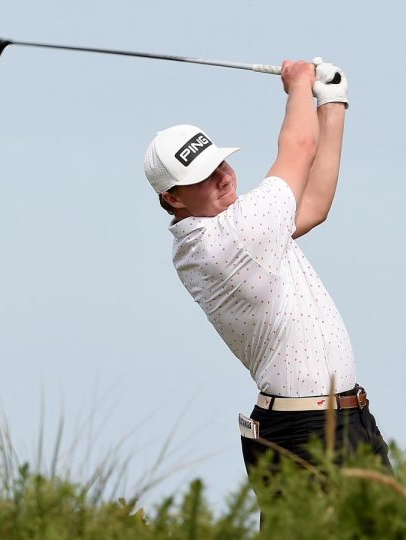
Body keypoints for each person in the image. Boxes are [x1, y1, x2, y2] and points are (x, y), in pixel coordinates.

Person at [142, 59, 390, 488]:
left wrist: (332, 103)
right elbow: (297, 148)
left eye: (220, 163)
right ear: (174, 197)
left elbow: (313, 205)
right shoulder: (231, 239)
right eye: (203, 177)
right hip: (306, 431)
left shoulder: (234, 227)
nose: (222, 177)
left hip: (343, 420)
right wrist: (298, 85)